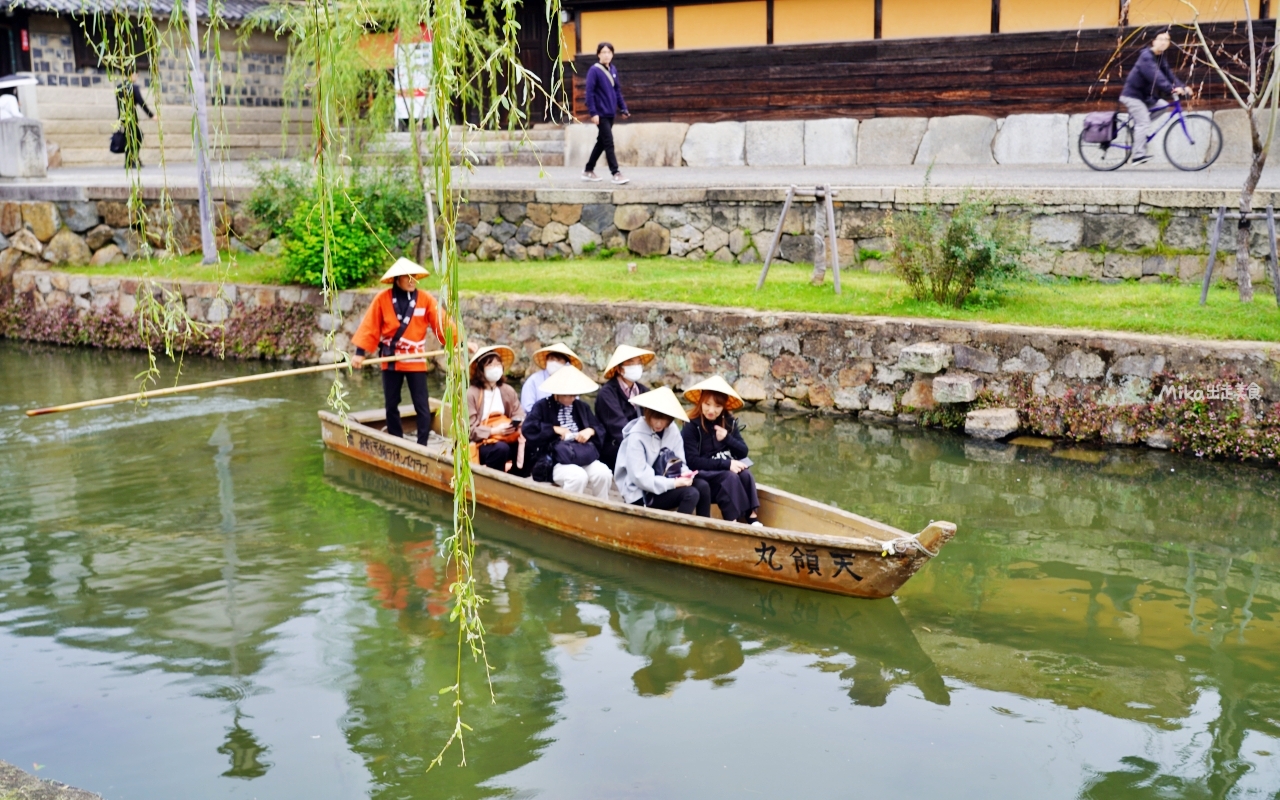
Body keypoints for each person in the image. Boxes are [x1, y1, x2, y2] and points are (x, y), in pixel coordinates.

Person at [351, 258, 456, 446]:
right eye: (407, 277)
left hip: (415, 359)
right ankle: (396, 440)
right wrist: (360, 353)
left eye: (414, 276)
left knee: (421, 404)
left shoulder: (425, 299)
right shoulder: (382, 299)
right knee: (391, 403)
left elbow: (442, 322)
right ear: (397, 279)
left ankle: (422, 444)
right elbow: (370, 325)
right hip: (391, 358)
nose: (412, 280)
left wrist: (458, 343)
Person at [614, 386, 711, 517]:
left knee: (703, 486)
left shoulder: (672, 430)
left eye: (664, 419)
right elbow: (639, 477)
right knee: (690, 494)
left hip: (666, 482)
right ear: (647, 414)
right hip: (641, 493)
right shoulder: (636, 436)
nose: (659, 424)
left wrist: (685, 474)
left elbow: (679, 461)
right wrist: (673, 483)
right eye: (655, 418)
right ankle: (677, 529)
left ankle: (704, 526)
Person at [521, 364, 613, 499]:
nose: (572, 398)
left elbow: (599, 428)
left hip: (581, 454)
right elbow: (528, 428)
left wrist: (590, 431)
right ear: (557, 392)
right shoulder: (542, 406)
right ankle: (569, 510)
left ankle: (601, 507)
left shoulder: (581, 407)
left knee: (604, 473)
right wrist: (553, 429)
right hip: (555, 460)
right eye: (568, 395)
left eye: (574, 395)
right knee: (577, 477)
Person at [681, 376, 761, 526]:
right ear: (701, 402)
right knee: (730, 476)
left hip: (722, 469)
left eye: (717, 406)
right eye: (707, 404)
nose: (711, 410)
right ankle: (732, 521)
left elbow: (743, 452)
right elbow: (692, 461)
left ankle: (752, 518)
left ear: (723, 406)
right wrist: (726, 464)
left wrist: (727, 439)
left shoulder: (728, 421)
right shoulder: (691, 425)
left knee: (745, 474)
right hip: (702, 474)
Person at [1120, 30, 1186, 164]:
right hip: (1133, 96)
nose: (1163, 42)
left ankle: (1138, 130)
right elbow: (1156, 76)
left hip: (1145, 97)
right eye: (1160, 39)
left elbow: (1169, 75)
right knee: (1143, 122)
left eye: (1166, 40)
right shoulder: (1146, 57)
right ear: (1153, 41)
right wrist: (1172, 89)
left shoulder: (1160, 57)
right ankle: (1138, 156)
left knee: (1163, 105)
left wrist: (1182, 87)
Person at [595, 344, 654, 470]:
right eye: (631, 363)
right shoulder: (607, 394)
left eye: (639, 363)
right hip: (616, 451)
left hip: (643, 446)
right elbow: (619, 428)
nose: (636, 366)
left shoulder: (644, 391)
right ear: (619, 369)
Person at [466, 344, 524, 472]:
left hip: (507, 435)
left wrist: (515, 424)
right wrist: (494, 431)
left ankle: (517, 476)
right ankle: (495, 478)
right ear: (481, 369)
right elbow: (469, 429)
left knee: (529, 443)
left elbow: (518, 413)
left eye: (498, 365)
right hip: (483, 441)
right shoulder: (471, 393)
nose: (495, 368)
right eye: (490, 365)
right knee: (501, 449)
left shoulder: (507, 390)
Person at [582, 42, 630, 185]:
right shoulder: (594, 71)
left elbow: (617, 91)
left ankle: (588, 170)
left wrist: (623, 108)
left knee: (601, 142)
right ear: (598, 54)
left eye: (609, 52)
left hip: (610, 112)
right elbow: (589, 93)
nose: (606, 55)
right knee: (608, 142)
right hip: (600, 113)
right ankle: (615, 173)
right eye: (603, 52)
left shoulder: (613, 69)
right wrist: (593, 113)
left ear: (612, 54)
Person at [520, 342, 584, 413]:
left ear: (566, 364)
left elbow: (575, 405)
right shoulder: (533, 381)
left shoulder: (570, 382)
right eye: (551, 359)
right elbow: (527, 408)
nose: (554, 362)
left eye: (558, 360)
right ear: (546, 360)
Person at [116, 72, 153, 169]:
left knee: (129, 138)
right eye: (136, 75)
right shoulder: (133, 87)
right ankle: (131, 160)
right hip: (131, 117)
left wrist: (120, 118)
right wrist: (151, 115)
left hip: (123, 117)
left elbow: (119, 105)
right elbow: (141, 102)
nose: (136, 77)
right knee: (137, 137)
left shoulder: (119, 87)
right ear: (131, 75)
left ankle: (131, 160)